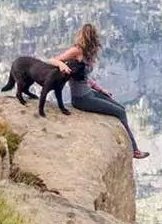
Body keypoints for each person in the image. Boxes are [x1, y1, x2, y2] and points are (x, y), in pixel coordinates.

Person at [51, 23, 149, 159]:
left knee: (121, 108)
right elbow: (53, 60)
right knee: (120, 112)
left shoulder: (87, 53)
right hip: (81, 99)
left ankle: (134, 148)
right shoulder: (76, 51)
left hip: (89, 93)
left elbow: (84, 77)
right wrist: (62, 65)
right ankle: (135, 150)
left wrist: (101, 90)